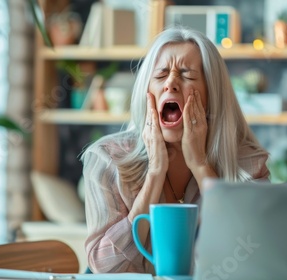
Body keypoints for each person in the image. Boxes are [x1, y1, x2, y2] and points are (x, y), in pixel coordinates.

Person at [81, 27, 270, 274]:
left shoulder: (249, 164)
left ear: (211, 95)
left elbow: (257, 257)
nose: (171, 83)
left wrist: (201, 166)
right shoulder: (106, 159)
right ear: (146, 92)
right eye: (160, 75)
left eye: (187, 75)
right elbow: (107, 269)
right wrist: (155, 173)